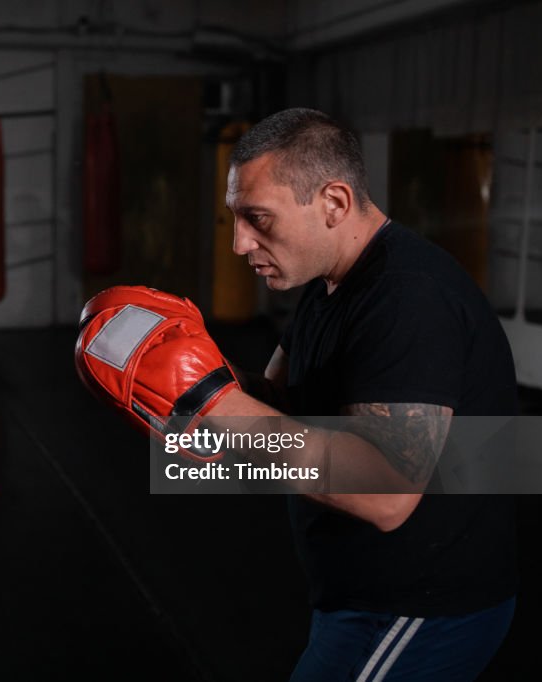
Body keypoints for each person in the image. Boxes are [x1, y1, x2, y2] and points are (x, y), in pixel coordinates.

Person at [76, 108, 517, 680]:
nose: (238, 243)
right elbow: (275, 401)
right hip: (358, 595)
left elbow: (386, 490)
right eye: (236, 218)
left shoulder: (408, 300)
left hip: (416, 609)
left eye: (258, 219)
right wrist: (179, 372)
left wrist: (206, 399)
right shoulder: (331, 284)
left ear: (333, 203)